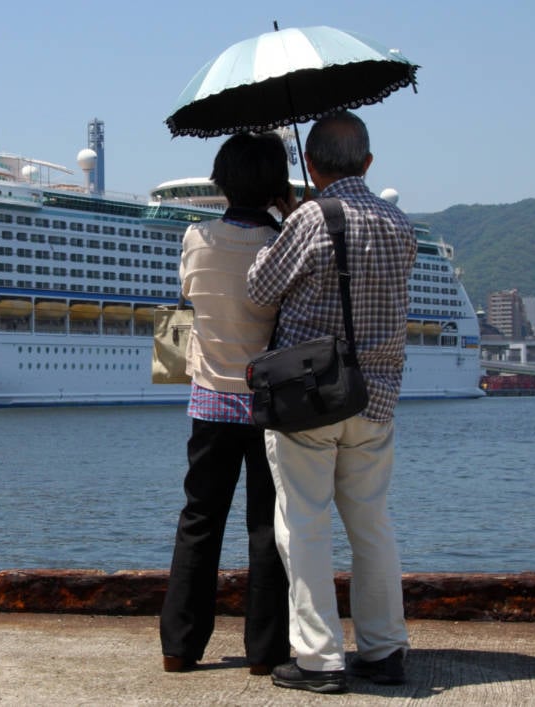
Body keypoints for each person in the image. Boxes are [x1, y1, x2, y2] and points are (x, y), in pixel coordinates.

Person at [246, 111, 415, 694]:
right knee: (372, 524)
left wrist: (294, 222)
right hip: (377, 396)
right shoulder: (400, 223)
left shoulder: (310, 218)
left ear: (309, 166)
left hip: (311, 398)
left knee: (304, 524)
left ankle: (319, 659)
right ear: (369, 163)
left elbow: (259, 289)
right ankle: (385, 650)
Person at [159, 132, 290, 676]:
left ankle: (180, 648)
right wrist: (292, 216)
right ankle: (266, 653)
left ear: (220, 179)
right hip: (268, 406)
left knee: (199, 520)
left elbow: (190, 293)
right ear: (276, 185)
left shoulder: (196, 238)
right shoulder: (283, 243)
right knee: (266, 525)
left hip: (211, 402)